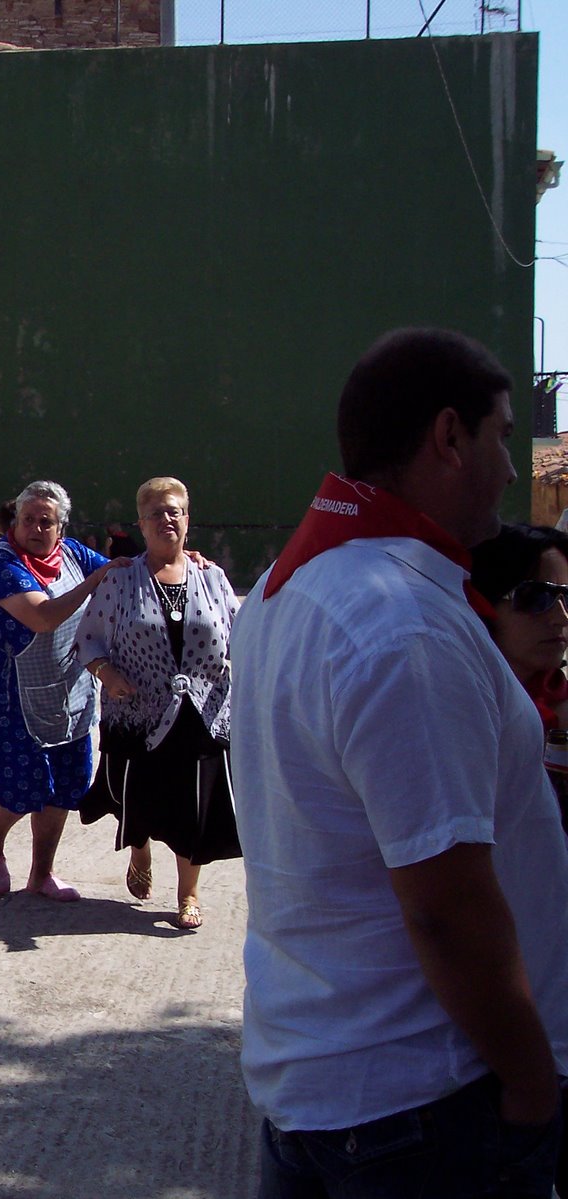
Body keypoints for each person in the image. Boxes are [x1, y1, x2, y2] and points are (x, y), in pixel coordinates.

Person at [230, 328, 568, 1195]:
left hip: (333, 1095)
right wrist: (533, 1084)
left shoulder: (290, 586)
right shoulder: (403, 624)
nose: (511, 467)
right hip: (428, 1111)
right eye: (501, 435)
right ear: (449, 437)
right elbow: (448, 911)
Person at [76, 477, 241, 930]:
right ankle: (140, 848)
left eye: (175, 511)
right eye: (156, 513)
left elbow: (240, 635)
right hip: (137, 716)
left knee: (195, 806)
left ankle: (188, 894)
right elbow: (88, 639)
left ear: (188, 519)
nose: (167, 519)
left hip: (203, 715)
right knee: (141, 798)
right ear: (141, 524)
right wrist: (107, 674)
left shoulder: (212, 577)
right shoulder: (121, 578)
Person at [0, 481, 121, 902]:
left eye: (44, 521)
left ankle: (41, 875)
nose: (33, 527)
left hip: (67, 688)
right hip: (7, 694)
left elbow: (124, 572)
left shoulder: (71, 554)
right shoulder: (1, 563)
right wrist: (94, 581)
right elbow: (42, 617)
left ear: (60, 528)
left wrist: (175, 561)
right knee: (20, 787)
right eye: (26, 519)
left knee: (65, 785)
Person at [470, 523, 568, 834]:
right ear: (484, 603)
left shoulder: (560, 707)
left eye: (567, 597)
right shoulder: (459, 707)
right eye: (537, 597)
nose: (561, 617)